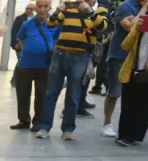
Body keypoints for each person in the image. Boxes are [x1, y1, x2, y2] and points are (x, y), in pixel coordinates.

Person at [35, 0, 109, 139]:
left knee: (73, 94)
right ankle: (44, 127)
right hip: (60, 54)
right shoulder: (69, 7)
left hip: (81, 56)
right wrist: (57, 11)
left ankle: (68, 129)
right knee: (51, 92)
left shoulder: (100, 10)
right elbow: (50, 24)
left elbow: (103, 26)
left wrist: (90, 12)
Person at [114, 0, 148, 145]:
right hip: (132, 70)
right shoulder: (140, 22)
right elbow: (125, 45)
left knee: (144, 107)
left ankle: (133, 136)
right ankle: (123, 134)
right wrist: (137, 29)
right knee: (128, 104)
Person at [103, 0, 148, 138]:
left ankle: (131, 126)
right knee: (115, 91)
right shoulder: (125, 6)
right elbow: (130, 28)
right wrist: (144, 8)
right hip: (120, 55)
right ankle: (107, 123)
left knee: (135, 93)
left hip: (140, 55)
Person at [13, 0, 56, 131]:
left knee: (41, 97)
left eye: (46, 6)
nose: (43, 9)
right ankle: (23, 120)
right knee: (22, 95)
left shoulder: (56, 25)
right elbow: (20, 43)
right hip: (25, 65)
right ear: (35, 8)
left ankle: (38, 123)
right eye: (40, 6)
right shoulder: (26, 24)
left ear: (50, 8)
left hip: (44, 66)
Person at [11, 3, 38, 87]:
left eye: (31, 9)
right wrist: (15, 43)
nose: (29, 10)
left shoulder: (36, 19)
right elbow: (14, 31)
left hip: (31, 45)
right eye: (27, 8)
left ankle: (22, 79)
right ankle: (15, 79)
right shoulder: (19, 18)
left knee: (25, 61)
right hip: (20, 44)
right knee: (21, 60)